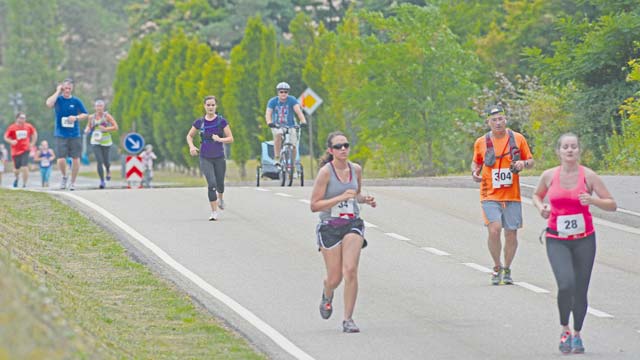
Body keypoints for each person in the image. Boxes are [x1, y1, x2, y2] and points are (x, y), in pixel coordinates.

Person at [532, 133, 616, 354]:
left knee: (580, 290)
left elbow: (612, 204)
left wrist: (593, 200)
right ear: (558, 151)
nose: (570, 150)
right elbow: (537, 195)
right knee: (565, 284)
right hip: (556, 239)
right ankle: (564, 329)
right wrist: (542, 208)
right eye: (565, 147)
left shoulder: (589, 176)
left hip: (584, 240)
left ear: (579, 151)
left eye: (574, 147)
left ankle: (577, 334)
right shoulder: (549, 175)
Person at [310, 131, 376, 333]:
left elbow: (354, 195)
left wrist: (365, 199)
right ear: (331, 151)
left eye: (346, 145)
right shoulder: (326, 173)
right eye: (338, 147)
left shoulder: (355, 169)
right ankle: (327, 293)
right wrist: (338, 199)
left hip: (352, 224)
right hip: (330, 226)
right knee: (335, 277)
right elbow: (314, 205)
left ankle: (348, 319)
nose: (343, 149)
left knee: (350, 270)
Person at [471, 105, 534, 285]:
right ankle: (497, 266)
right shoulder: (481, 142)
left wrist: (523, 164)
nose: (498, 123)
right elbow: (475, 163)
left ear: (506, 120)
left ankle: (507, 268)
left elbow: (530, 160)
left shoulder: (518, 139)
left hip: (512, 194)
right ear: (488, 122)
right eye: (494, 120)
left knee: (511, 234)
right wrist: (475, 172)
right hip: (489, 193)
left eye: (501, 119)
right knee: (494, 229)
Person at [186, 96, 234, 220]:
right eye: (208, 105)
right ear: (204, 106)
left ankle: (221, 198)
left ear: (216, 106)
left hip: (219, 156)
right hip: (205, 156)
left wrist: (220, 139)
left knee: (220, 184)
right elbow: (189, 136)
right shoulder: (200, 122)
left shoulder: (221, 121)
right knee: (211, 184)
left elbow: (230, 138)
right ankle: (214, 212)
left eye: (213, 105)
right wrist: (191, 147)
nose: (211, 107)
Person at [45, 78, 88, 190]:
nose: (67, 90)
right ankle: (64, 177)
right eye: (65, 88)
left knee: (75, 158)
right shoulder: (58, 100)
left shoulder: (76, 101)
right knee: (61, 158)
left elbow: (85, 114)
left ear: (72, 88)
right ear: (62, 88)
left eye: (69, 88)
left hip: (74, 134)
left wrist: (76, 117)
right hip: (61, 133)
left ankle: (73, 182)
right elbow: (48, 104)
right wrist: (57, 91)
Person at [264, 82, 307, 165]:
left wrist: (303, 121)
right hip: (277, 125)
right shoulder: (272, 101)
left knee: (294, 145)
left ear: (288, 92)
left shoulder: (292, 100)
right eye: (281, 92)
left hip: (291, 125)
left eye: (285, 92)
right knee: (278, 134)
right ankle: (277, 157)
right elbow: (268, 114)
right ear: (278, 93)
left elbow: (298, 112)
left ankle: (293, 165)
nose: (283, 94)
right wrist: (269, 122)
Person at [84, 100, 119, 189]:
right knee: (99, 161)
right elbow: (89, 126)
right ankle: (102, 181)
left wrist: (106, 129)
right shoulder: (91, 117)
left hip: (106, 141)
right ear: (95, 107)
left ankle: (108, 170)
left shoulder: (107, 116)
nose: (99, 108)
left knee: (106, 161)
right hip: (95, 140)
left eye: (101, 106)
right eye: (97, 106)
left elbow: (116, 127)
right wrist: (87, 129)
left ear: (103, 107)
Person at [3, 112, 37, 188]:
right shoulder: (12, 127)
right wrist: (11, 141)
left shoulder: (28, 126)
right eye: (21, 118)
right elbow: (5, 137)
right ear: (17, 118)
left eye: (24, 118)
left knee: (25, 166)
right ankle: (16, 178)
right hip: (15, 151)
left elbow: (34, 133)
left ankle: (24, 184)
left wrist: (32, 143)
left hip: (25, 149)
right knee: (16, 169)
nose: (23, 119)